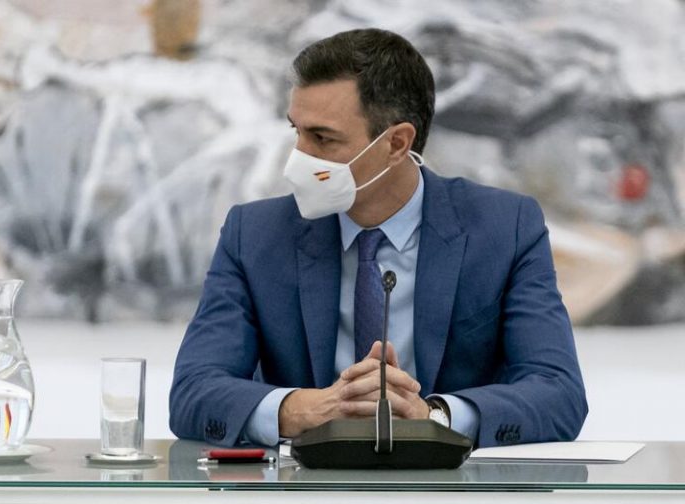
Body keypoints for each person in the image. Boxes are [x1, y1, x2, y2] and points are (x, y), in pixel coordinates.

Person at [169, 28, 588, 448]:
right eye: (296, 131)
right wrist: (302, 410)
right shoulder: (254, 234)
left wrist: (433, 418)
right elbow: (193, 391)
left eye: (322, 138)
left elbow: (559, 394)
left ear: (397, 143)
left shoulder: (505, 228)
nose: (297, 158)